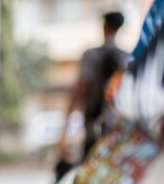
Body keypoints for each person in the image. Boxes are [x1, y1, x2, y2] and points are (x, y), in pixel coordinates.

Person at [54, 11, 127, 169]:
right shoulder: (126, 58)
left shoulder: (91, 55)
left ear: (105, 26)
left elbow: (79, 91)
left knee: (89, 179)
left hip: (93, 130)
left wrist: (64, 131)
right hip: (118, 132)